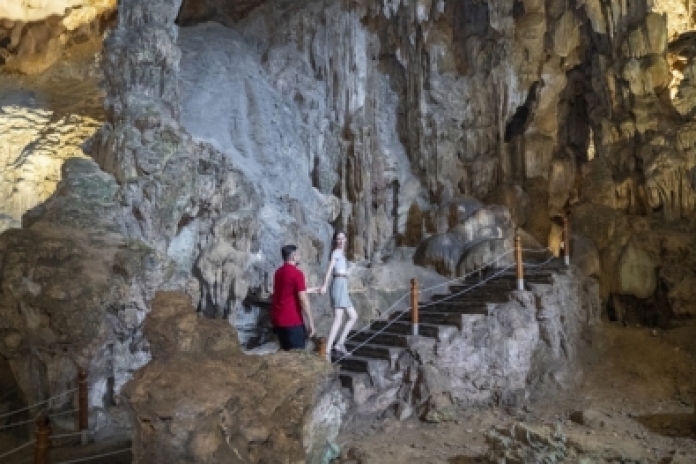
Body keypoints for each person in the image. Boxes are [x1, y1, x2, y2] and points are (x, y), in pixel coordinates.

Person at [320, 231, 357, 359]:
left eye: (342, 238)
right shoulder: (335, 252)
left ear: (346, 239)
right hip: (338, 284)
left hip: (343, 285)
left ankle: (339, 343)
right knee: (338, 319)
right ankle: (327, 351)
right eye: (338, 239)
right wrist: (324, 285)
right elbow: (330, 269)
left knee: (353, 316)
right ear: (335, 241)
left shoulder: (342, 254)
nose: (340, 241)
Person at [271, 244, 316, 350]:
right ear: (294, 257)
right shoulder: (297, 274)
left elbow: (287, 292)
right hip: (292, 321)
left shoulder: (278, 272)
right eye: (298, 255)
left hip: (278, 321)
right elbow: (303, 299)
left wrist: (312, 289)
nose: (299, 257)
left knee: (286, 357)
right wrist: (311, 323)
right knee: (297, 358)